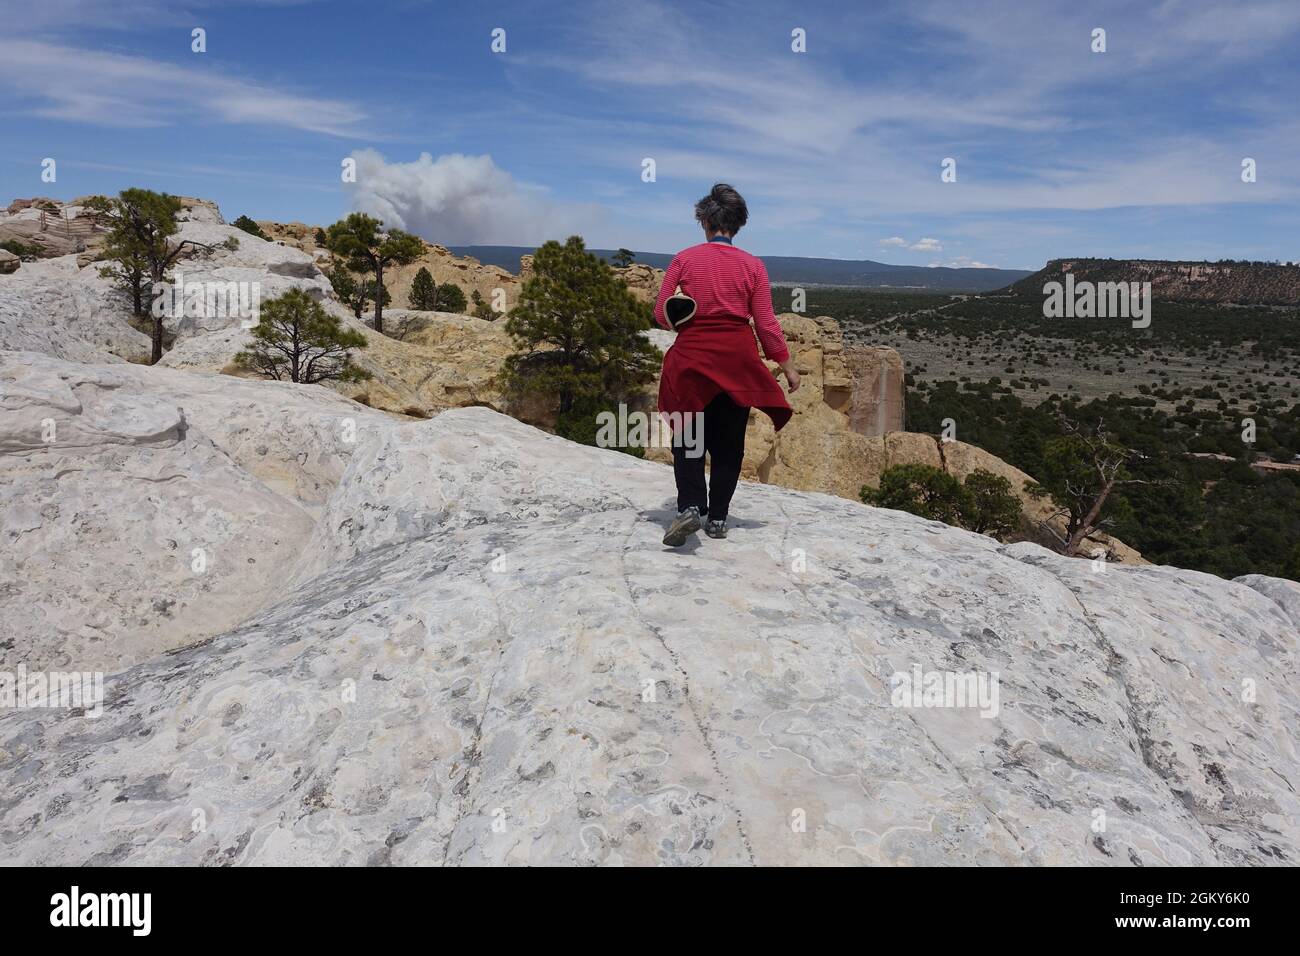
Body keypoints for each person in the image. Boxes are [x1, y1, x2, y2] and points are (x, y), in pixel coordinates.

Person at [654, 183, 799, 547]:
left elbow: (660, 313)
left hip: (693, 358)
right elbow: (766, 323)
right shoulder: (753, 266)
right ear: (738, 225)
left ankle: (690, 507)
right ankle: (717, 517)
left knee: (688, 437)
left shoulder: (684, 259)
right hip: (737, 361)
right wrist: (788, 365)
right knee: (729, 444)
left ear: (704, 220)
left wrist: (683, 317)